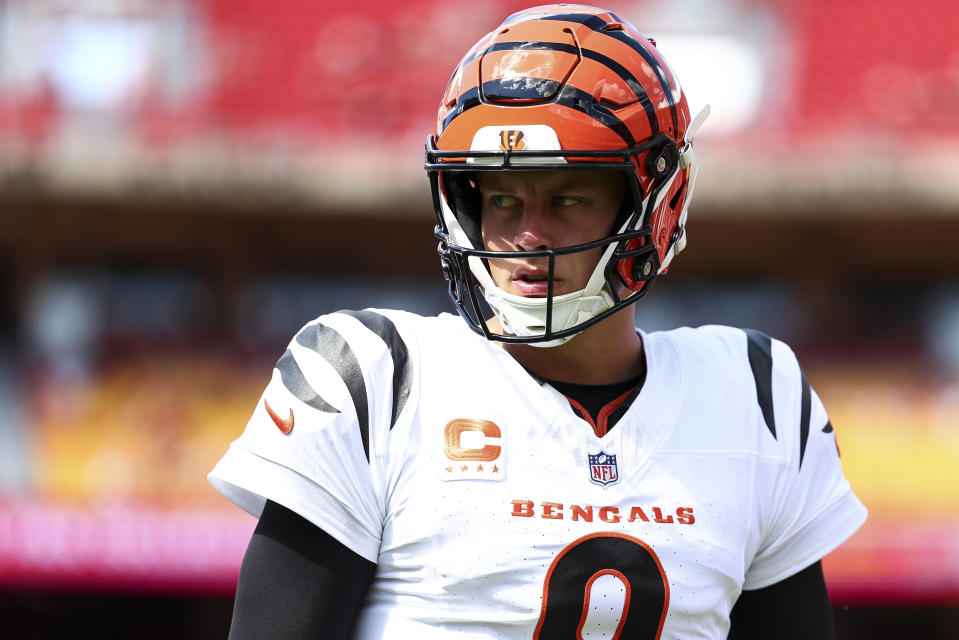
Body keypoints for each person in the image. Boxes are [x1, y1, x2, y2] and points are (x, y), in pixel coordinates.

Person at [209, 5, 866, 639]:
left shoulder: (757, 397)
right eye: (501, 199)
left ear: (655, 204)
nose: (526, 234)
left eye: (566, 197)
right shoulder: (374, 378)